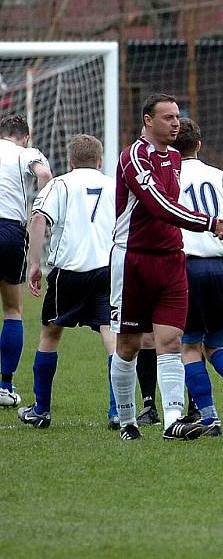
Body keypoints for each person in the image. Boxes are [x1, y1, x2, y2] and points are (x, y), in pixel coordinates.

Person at [110, 93, 223, 441]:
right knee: (129, 344)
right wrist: (211, 224)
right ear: (148, 120)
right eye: (167, 117)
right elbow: (159, 206)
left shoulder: (176, 158)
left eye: (177, 117)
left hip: (172, 258)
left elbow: (172, 207)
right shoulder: (133, 157)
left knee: (171, 340)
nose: (175, 122)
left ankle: (173, 420)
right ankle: (127, 420)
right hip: (133, 258)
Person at [17, 135, 115, 428]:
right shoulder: (114, 185)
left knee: (50, 334)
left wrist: (34, 264)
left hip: (69, 271)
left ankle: (41, 410)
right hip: (108, 269)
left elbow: (38, 219)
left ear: (70, 162)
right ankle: (118, 411)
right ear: (99, 161)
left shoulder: (59, 184)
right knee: (111, 337)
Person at [174, 117, 223, 437]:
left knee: (189, 345)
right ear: (199, 145)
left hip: (189, 266)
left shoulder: (169, 177)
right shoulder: (222, 177)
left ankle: (208, 417)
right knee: (216, 342)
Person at [0, 114, 51, 407]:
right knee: (12, 310)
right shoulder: (26, 153)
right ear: (25, 136)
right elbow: (43, 174)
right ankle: (5, 387)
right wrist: (40, 211)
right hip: (8, 230)